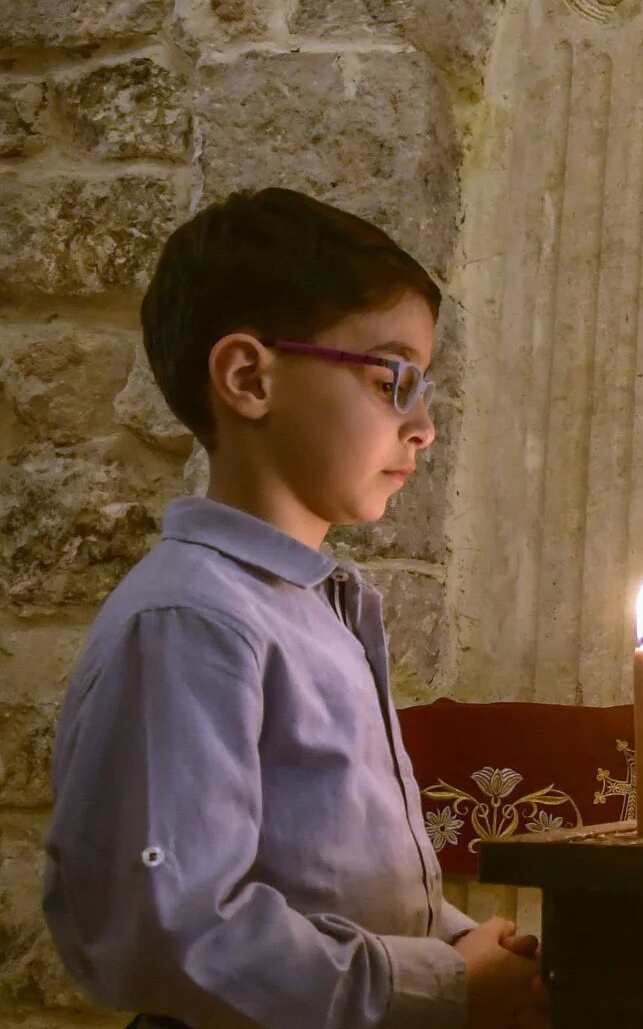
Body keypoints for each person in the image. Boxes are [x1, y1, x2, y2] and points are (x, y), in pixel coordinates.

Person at [41, 188, 546, 1029]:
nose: (422, 425)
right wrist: (444, 987)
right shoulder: (193, 623)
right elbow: (182, 934)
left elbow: (327, 880)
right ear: (248, 378)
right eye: (394, 377)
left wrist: (458, 946)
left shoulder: (319, 607)